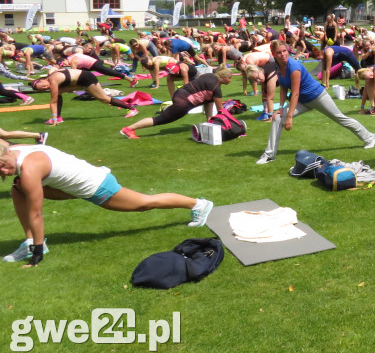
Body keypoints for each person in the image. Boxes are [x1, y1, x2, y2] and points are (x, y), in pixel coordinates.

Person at [0, 143, 213, 266]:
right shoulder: (15, 150)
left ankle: (198, 204)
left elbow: (36, 213)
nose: (3, 171)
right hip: (79, 183)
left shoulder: (29, 168)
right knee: (17, 188)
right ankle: (30, 242)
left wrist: (38, 254)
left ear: (7, 153)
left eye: (3, 165)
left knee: (144, 203)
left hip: (97, 186)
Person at [256, 41, 375, 165]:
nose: (283, 55)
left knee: (340, 118)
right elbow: (283, 87)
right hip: (303, 101)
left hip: (317, 96)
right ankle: (269, 155)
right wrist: (281, 107)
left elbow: (295, 93)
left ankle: (369, 138)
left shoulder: (293, 67)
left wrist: (290, 117)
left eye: (284, 51)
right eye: (279, 53)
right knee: (277, 118)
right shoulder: (277, 65)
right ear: (274, 54)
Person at [120, 67, 234, 138]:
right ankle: (128, 129)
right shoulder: (216, 88)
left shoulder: (210, 76)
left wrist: (209, 122)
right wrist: (230, 126)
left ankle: (169, 109)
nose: (231, 80)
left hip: (180, 93)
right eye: (230, 78)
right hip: (184, 103)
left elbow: (208, 103)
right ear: (223, 77)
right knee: (160, 119)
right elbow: (221, 110)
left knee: (166, 116)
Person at [30, 68, 138, 125]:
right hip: (78, 80)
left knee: (104, 99)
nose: (45, 88)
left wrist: (52, 118)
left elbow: (53, 102)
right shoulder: (50, 77)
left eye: (43, 86)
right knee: (58, 93)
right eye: (43, 89)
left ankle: (131, 109)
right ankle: (58, 117)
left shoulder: (52, 80)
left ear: (42, 80)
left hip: (86, 78)